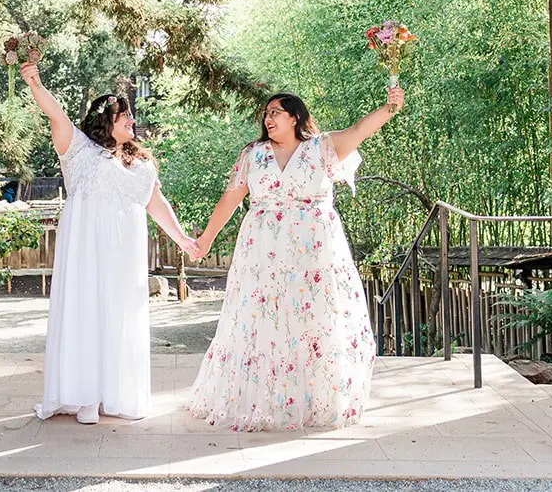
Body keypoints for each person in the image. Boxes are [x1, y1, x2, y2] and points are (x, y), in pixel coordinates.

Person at [185, 87, 403, 431]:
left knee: (313, 319)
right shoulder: (253, 155)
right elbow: (229, 199)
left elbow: (360, 130)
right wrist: (205, 240)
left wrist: (390, 107)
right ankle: (265, 400)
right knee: (263, 320)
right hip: (262, 252)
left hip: (314, 251)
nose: (267, 118)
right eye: (266, 113)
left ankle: (316, 400)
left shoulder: (322, 148)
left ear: (295, 117)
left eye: (275, 112)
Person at [21, 60, 198, 424]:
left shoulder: (140, 162)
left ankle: (117, 392)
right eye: (126, 117)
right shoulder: (80, 149)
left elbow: (156, 203)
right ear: (106, 121)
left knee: (120, 315)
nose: (133, 122)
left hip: (125, 251)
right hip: (86, 247)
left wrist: (183, 239)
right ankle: (85, 395)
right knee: (87, 311)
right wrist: (35, 83)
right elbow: (56, 115)